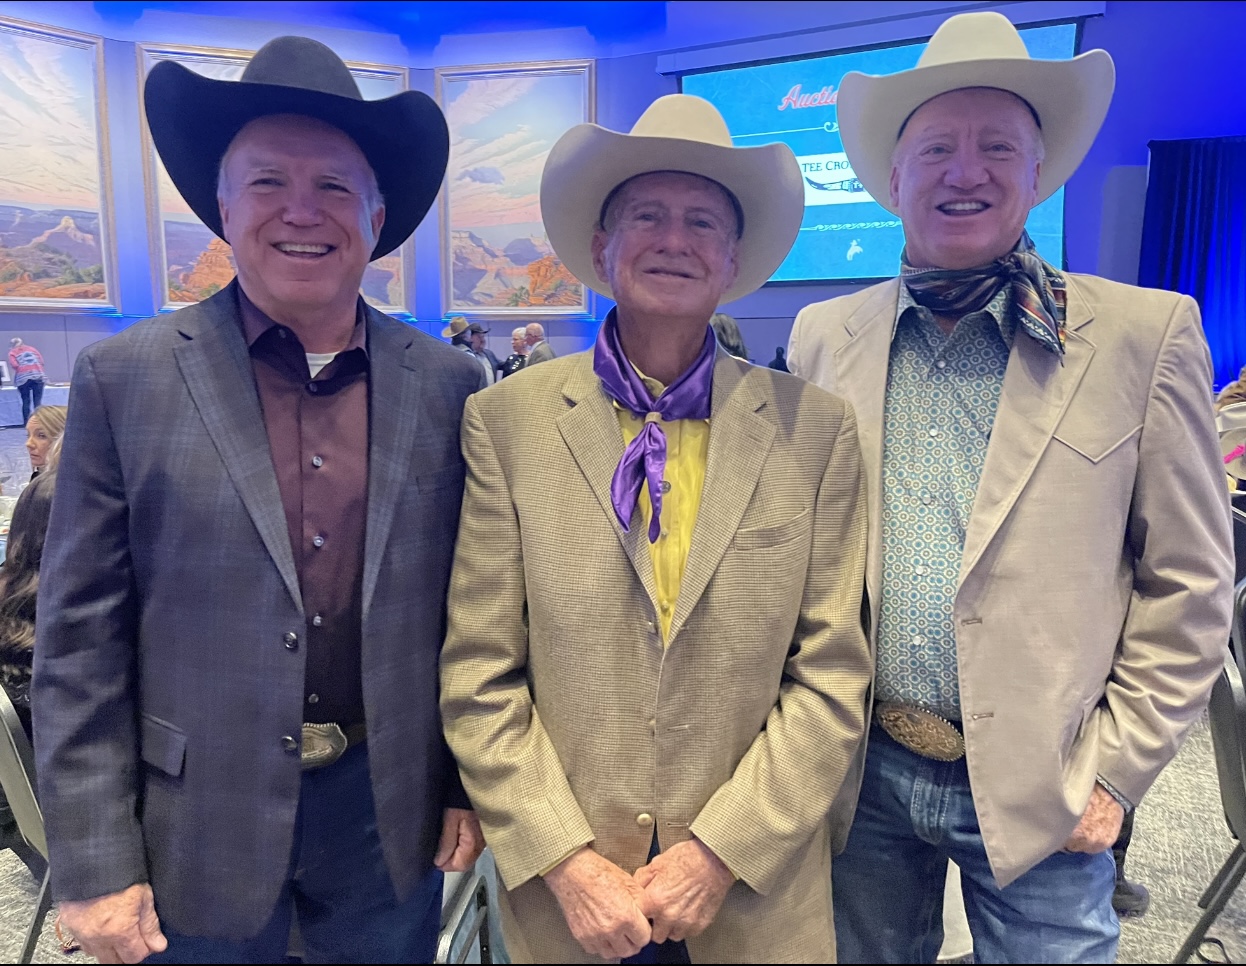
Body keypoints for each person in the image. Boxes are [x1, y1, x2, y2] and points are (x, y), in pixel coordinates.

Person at [786, 12, 1234, 963]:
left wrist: (1113, 774)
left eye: (999, 147)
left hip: (1048, 784)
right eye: (938, 147)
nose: (966, 170)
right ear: (892, 178)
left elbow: (1191, 583)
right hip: (860, 774)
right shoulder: (826, 337)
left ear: (1039, 175)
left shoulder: (1143, 337)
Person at [33, 36, 484, 965]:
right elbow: (78, 645)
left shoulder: (448, 385)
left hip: (383, 819)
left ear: (378, 212)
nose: (302, 213)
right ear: (223, 209)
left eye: (333, 186)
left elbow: (470, 612)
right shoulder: (127, 379)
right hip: (192, 825)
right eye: (269, 182)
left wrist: (464, 786)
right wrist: (93, 859)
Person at [441, 93, 872, 963]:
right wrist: (566, 863)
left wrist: (718, 855)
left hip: (753, 897)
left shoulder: (815, 432)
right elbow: (480, 672)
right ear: (602, 248)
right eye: (647, 215)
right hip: (568, 907)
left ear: (734, 257)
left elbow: (831, 677)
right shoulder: (507, 422)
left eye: (703, 221)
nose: (674, 239)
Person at [24, 403, 67, 481]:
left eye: (41, 435)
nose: (28, 444)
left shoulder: (61, 486)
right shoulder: (39, 477)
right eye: (28, 435)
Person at [8, 337, 46, 426]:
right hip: (38, 376)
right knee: (38, 402)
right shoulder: (32, 349)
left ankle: (27, 423)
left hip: (23, 378)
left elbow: (15, 365)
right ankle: (39, 422)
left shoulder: (12, 352)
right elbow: (41, 361)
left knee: (26, 401)